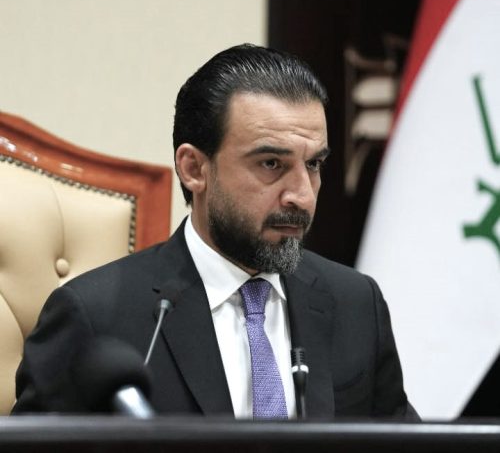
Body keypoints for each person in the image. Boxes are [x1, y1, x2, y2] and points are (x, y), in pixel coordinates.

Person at [12, 44, 416, 419]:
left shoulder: (355, 303)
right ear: (194, 169)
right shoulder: (95, 317)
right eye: (271, 164)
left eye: (313, 165)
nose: (302, 195)